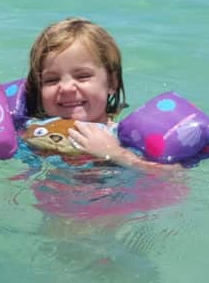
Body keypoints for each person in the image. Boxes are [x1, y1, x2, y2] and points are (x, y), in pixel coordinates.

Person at [20, 17, 158, 170]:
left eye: (82, 76)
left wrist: (115, 153)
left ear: (111, 83)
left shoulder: (122, 138)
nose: (66, 88)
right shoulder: (34, 132)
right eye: (52, 79)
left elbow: (167, 174)